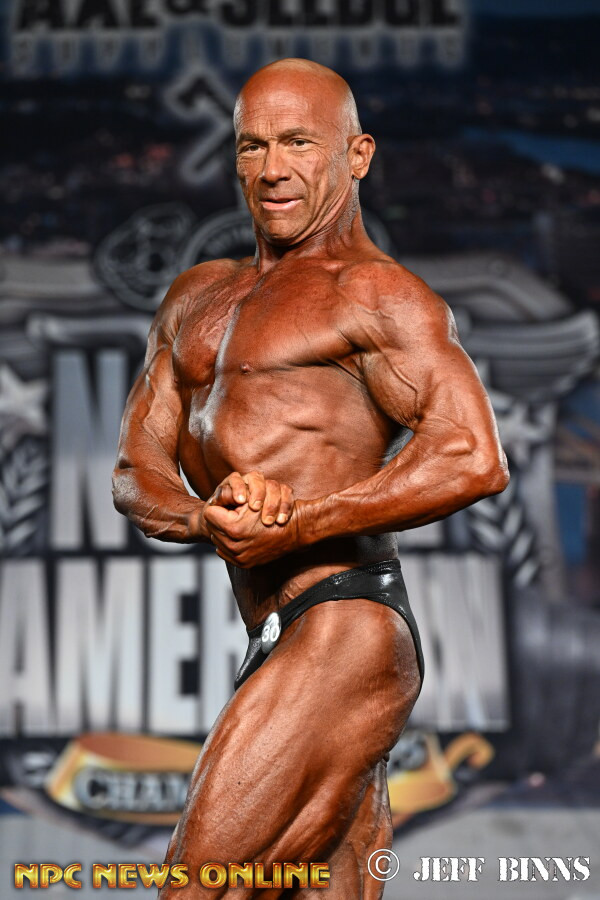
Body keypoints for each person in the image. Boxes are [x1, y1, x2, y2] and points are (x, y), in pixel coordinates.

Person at [112, 58, 509, 898]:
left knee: (198, 887)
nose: (272, 169)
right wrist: (204, 518)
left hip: (345, 627)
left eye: (298, 142)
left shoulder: (376, 293)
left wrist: (299, 524)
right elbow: (135, 469)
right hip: (276, 634)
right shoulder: (196, 297)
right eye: (252, 146)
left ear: (356, 155)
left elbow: (473, 454)